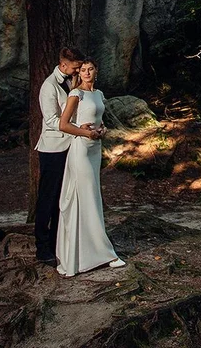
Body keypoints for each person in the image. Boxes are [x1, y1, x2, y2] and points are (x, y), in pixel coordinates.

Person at [56, 55, 125, 276]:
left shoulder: (99, 95)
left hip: (95, 149)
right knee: (86, 198)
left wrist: (102, 130)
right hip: (81, 151)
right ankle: (102, 254)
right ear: (79, 73)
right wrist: (87, 132)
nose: (86, 72)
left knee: (92, 197)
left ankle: (92, 253)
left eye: (90, 69)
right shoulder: (76, 94)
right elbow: (63, 125)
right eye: (83, 69)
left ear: (96, 71)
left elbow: (98, 119)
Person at [33, 46, 86, 265]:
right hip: (53, 150)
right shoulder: (49, 86)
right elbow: (52, 121)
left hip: (71, 148)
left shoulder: (74, 82)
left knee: (65, 197)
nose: (77, 71)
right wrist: (78, 129)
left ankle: (59, 242)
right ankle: (42, 246)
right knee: (48, 198)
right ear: (63, 65)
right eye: (75, 68)